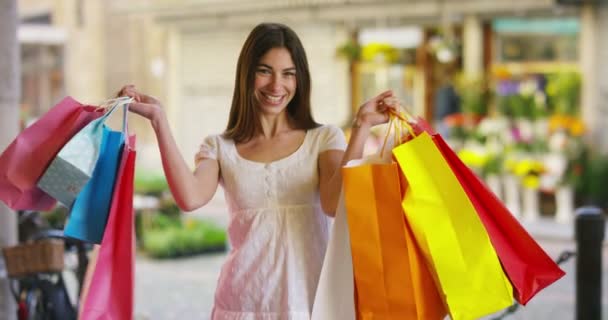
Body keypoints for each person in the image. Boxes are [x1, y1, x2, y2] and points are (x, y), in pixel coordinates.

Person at [118, 22, 399, 320]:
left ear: (299, 80)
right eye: (265, 71)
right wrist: (159, 120)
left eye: (288, 74)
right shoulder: (220, 146)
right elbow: (189, 197)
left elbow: (334, 204)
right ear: (247, 74)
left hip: (312, 301)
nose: (277, 86)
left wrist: (362, 126)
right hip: (242, 303)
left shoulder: (324, 138)